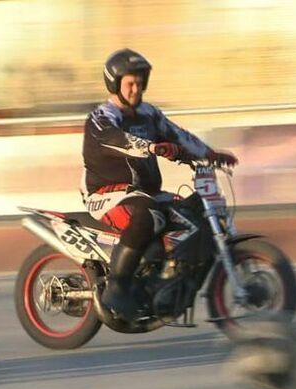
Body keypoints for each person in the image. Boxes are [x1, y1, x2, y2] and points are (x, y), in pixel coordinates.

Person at [81, 49, 238, 320]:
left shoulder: (149, 114)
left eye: (140, 82)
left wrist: (209, 154)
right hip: (106, 194)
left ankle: (166, 281)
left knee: (191, 213)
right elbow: (117, 140)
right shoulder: (102, 117)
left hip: (145, 193)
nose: (136, 89)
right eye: (130, 83)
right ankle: (117, 287)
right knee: (148, 215)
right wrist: (153, 147)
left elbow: (178, 135)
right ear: (114, 84)